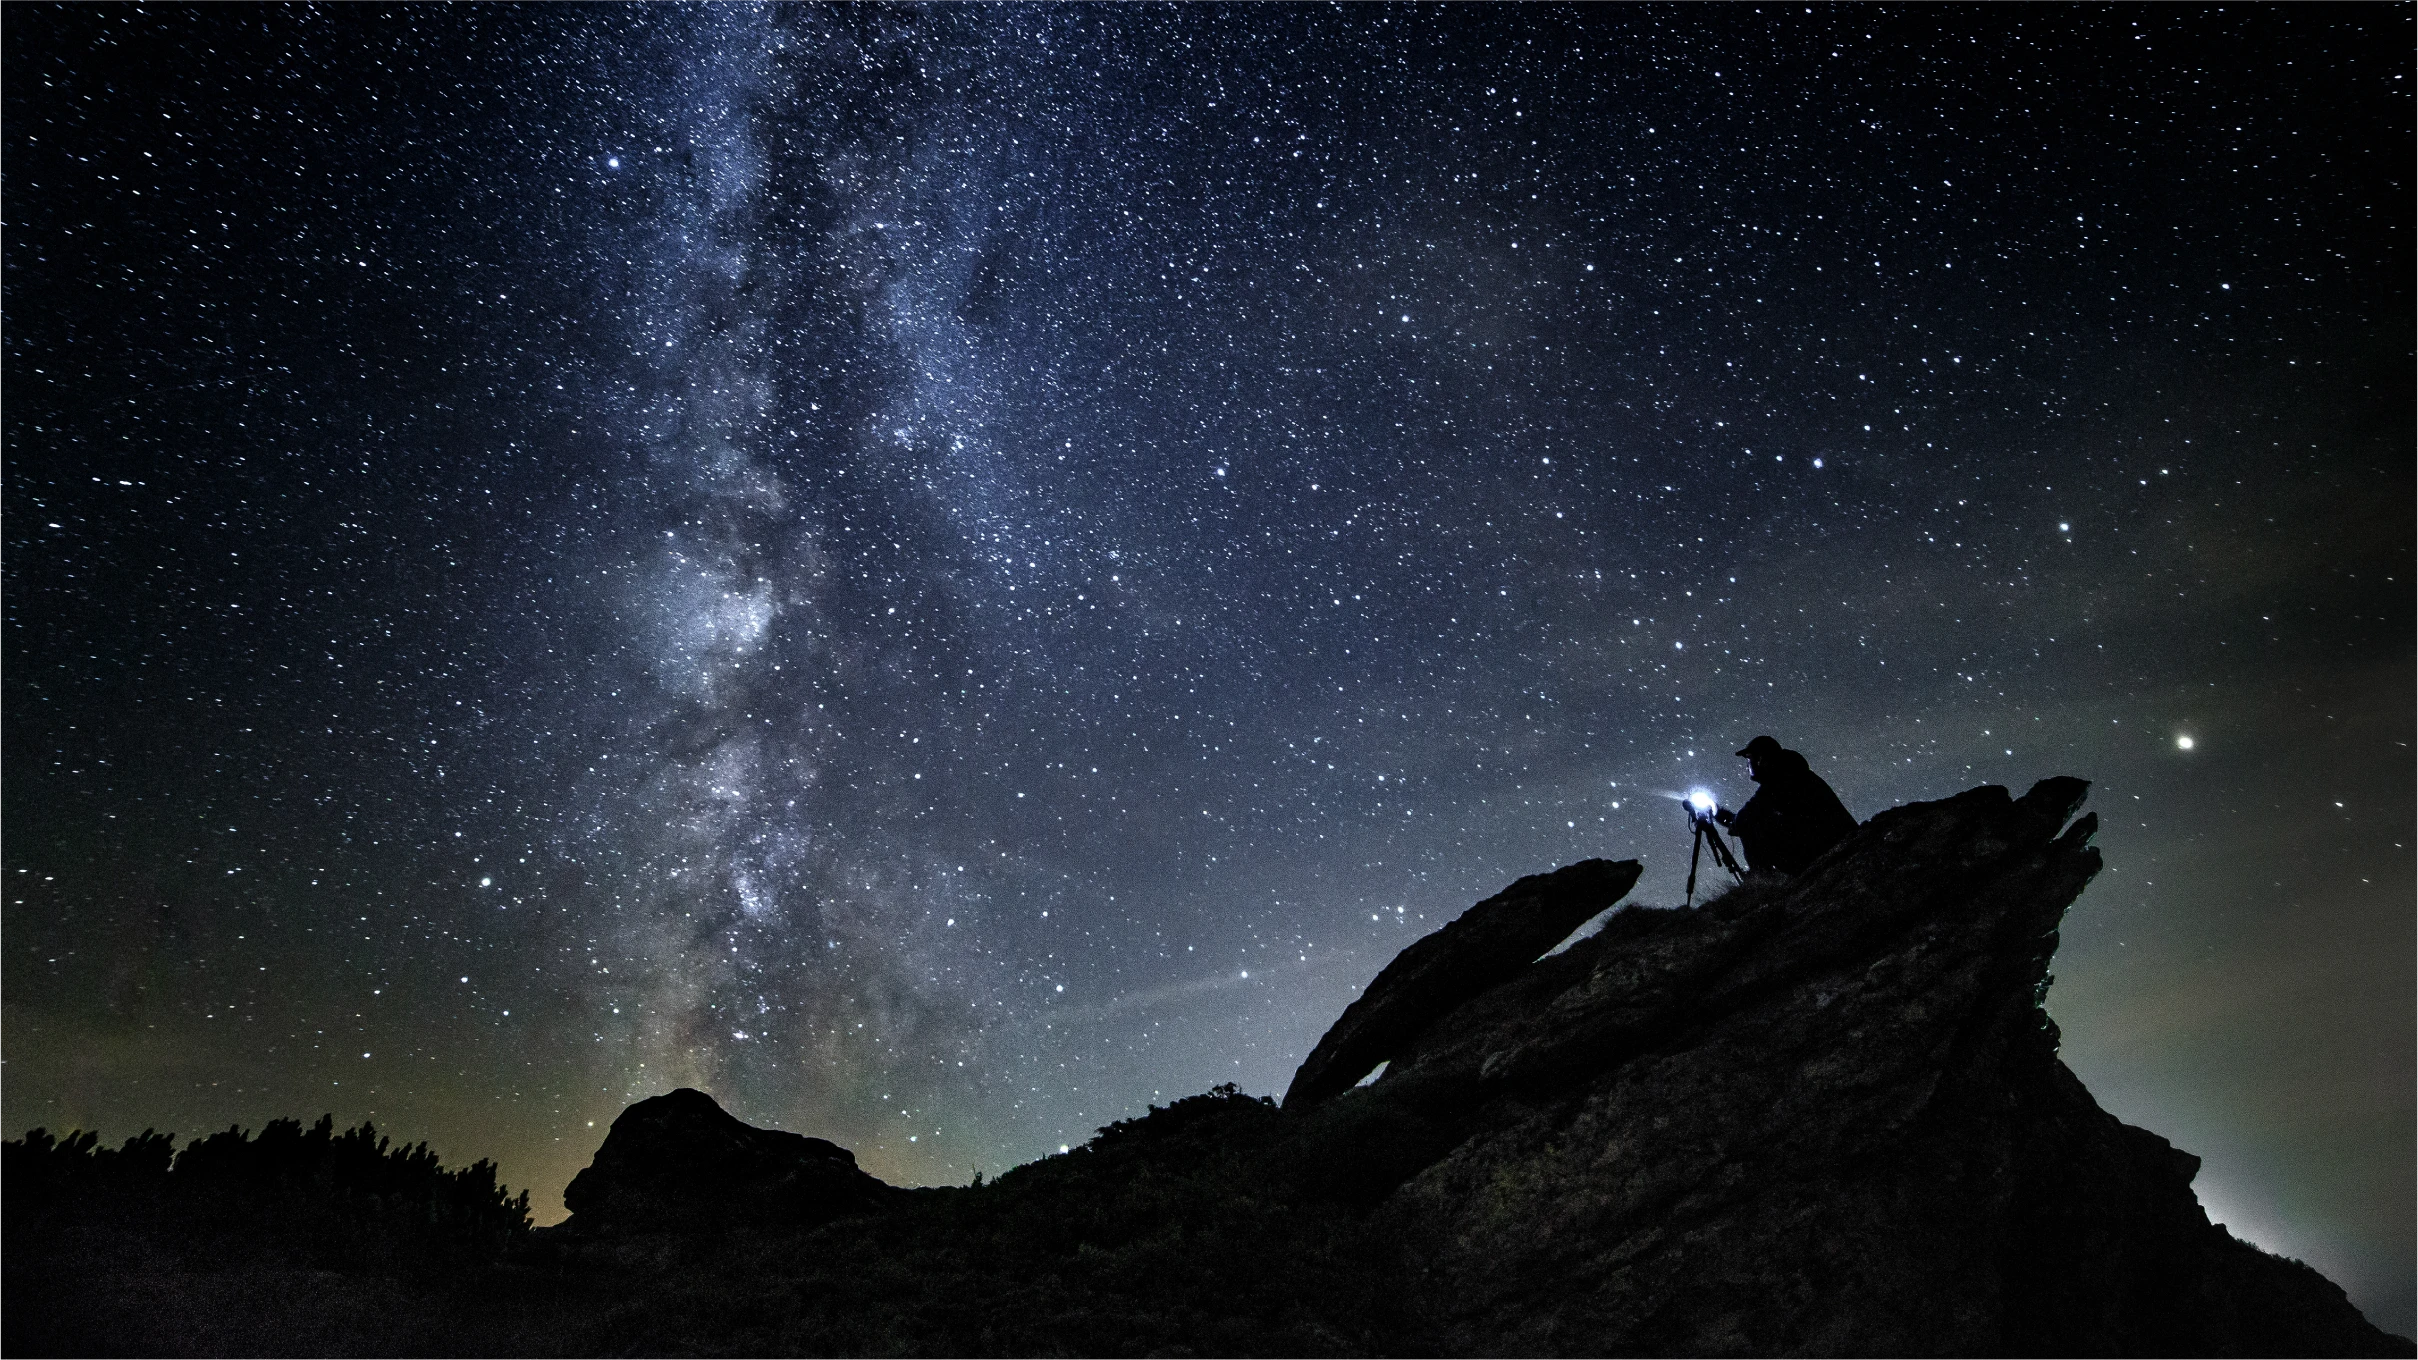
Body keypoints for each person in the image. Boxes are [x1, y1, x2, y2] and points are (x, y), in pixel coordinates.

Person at [1714, 736, 1857, 875]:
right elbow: (1747, 817)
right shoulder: (1793, 772)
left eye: (1749, 759)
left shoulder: (1779, 781)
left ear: (1760, 759)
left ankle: (1762, 879)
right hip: (1833, 839)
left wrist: (1717, 813)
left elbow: (1744, 820)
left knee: (1756, 828)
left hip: (1825, 846)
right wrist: (1720, 813)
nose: (1747, 765)